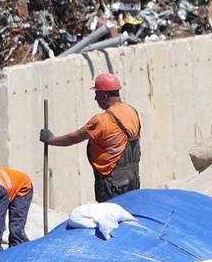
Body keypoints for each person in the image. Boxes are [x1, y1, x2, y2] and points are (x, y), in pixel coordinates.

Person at [40, 73, 141, 203]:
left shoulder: (102, 120)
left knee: (110, 219)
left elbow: (74, 138)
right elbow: (137, 145)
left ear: (105, 96)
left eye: (97, 94)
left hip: (112, 185)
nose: (95, 98)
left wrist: (51, 139)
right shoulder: (132, 111)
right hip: (133, 179)